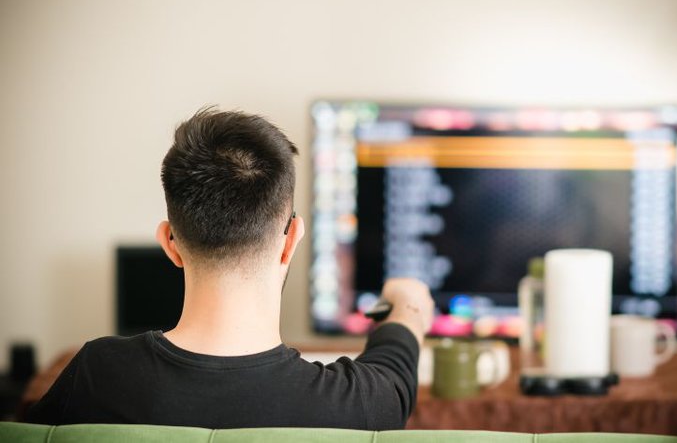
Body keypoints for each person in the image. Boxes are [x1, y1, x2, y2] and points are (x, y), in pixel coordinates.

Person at [25, 108, 435, 429]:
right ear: (291, 241)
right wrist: (408, 302)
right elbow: (395, 365)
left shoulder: (98, 374)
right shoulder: (362, 404)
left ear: (170, 242)